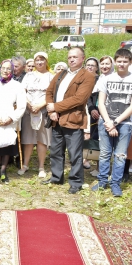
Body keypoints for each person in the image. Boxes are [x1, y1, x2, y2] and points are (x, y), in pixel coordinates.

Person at [44, 48, 96, 194]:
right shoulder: (62, 73)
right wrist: (52, 110)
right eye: (69, 57)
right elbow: (49, 92)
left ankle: (76, 182)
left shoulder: (88, 76)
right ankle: (56, 177)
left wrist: (56, 107)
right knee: (55, 151)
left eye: (75, 57)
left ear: (83, 58)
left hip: (73, 119)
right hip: (56, 119)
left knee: (74, 154)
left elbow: (79, 99)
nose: (71, 59)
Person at [93, 49, 132, 197]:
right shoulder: (105, 79)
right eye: (119, 61)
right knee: (104, 154)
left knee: (120, 155)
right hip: (105, 122)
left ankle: (115, 184)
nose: (121, 64)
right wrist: (108, 122)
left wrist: (115, 122)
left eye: (125, 61)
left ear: (129, 62)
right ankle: (102, 182)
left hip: (125, 124)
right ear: (115, 61)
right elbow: (100, 103)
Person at [0, 60, 26, 183]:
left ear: (12, 70)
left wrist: (12, 118)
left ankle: (3, 170)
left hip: (10, 121)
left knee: (7, 148)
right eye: (3, 68)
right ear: (0, 69)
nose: (6, 70)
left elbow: (21, 106)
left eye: (9, 68)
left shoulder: (17, 86)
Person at [18, 52, 53, 178]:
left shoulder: (50, 76)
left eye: (42, 60)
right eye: (37, 60)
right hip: (29, 110)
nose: (39, 62)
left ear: (46, 61)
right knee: (28, 139)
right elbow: (22, 92)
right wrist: (29, 105)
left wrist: (40, 106)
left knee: (41, 140)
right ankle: (25, 165)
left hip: (43, 111)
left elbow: (51, 95)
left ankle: (41, 167)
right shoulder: (28, 76)